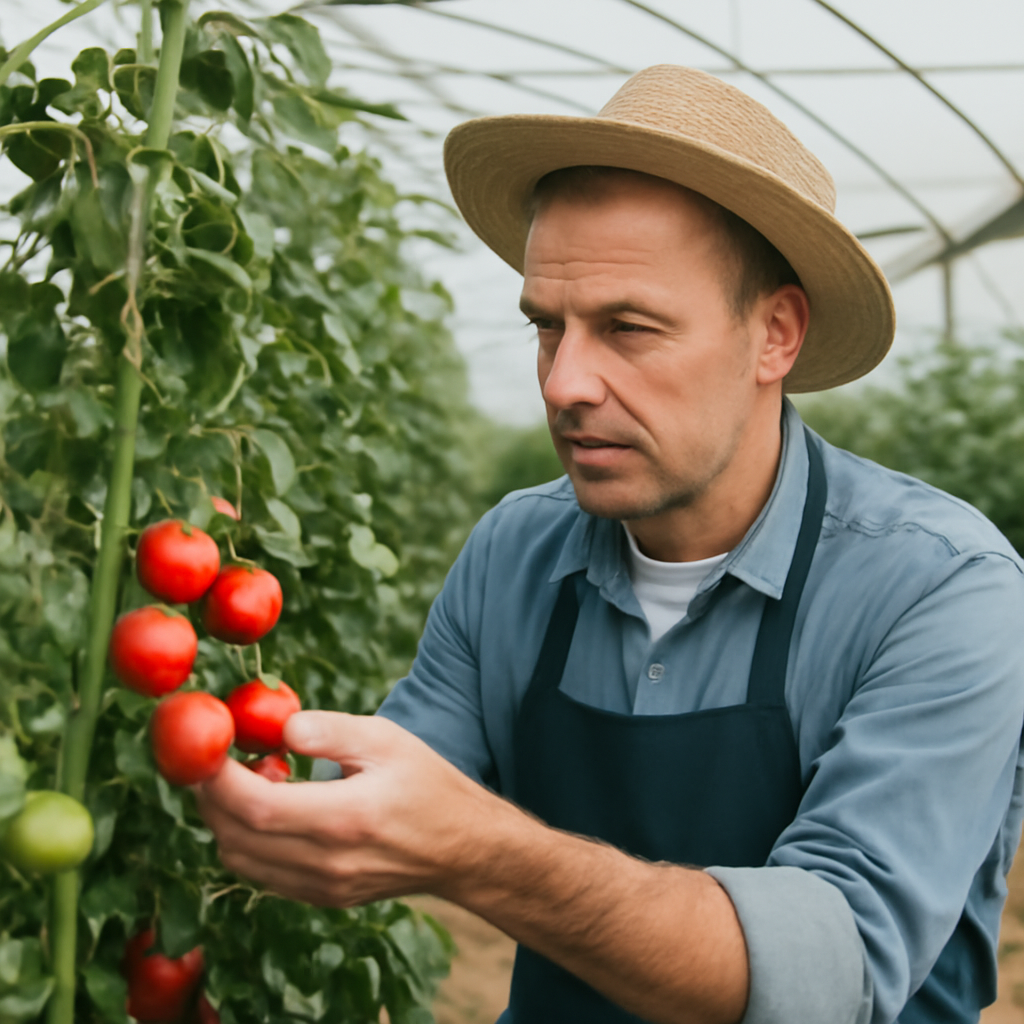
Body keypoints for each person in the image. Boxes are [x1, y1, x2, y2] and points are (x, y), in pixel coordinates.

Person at [196, 66, 1024, 1024]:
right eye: (549, 328)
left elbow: (832, 970)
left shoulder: (941, 591)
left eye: (628, 328)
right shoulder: (515, 553)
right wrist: (220, 703)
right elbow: (383, 789)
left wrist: (487, 852)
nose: (565, 384)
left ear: (776, 335)